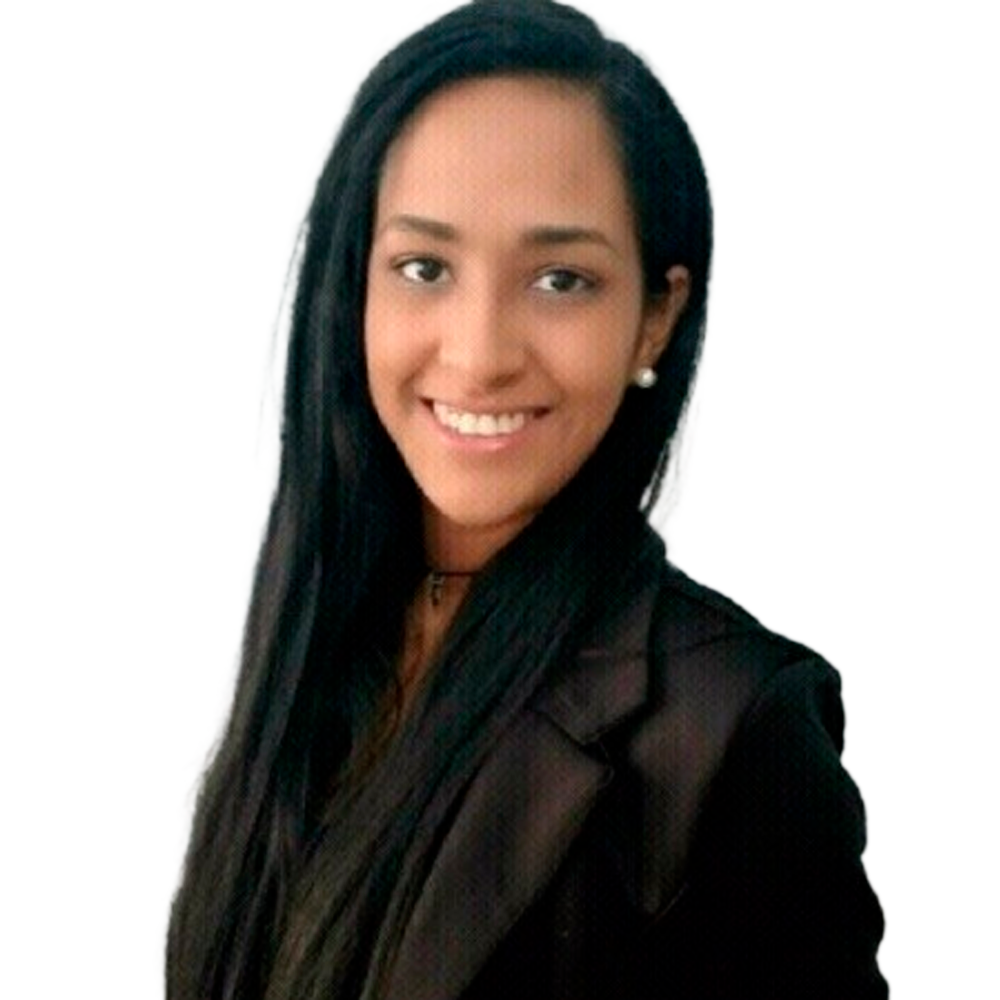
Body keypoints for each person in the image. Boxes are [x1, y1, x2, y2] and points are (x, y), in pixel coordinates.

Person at [167, 2, 888, 997]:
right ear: (355, 287)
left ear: (653, 318)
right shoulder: (320, 632)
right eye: (424, 267)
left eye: (559, 279)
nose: (477, 353)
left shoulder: (731, 731)